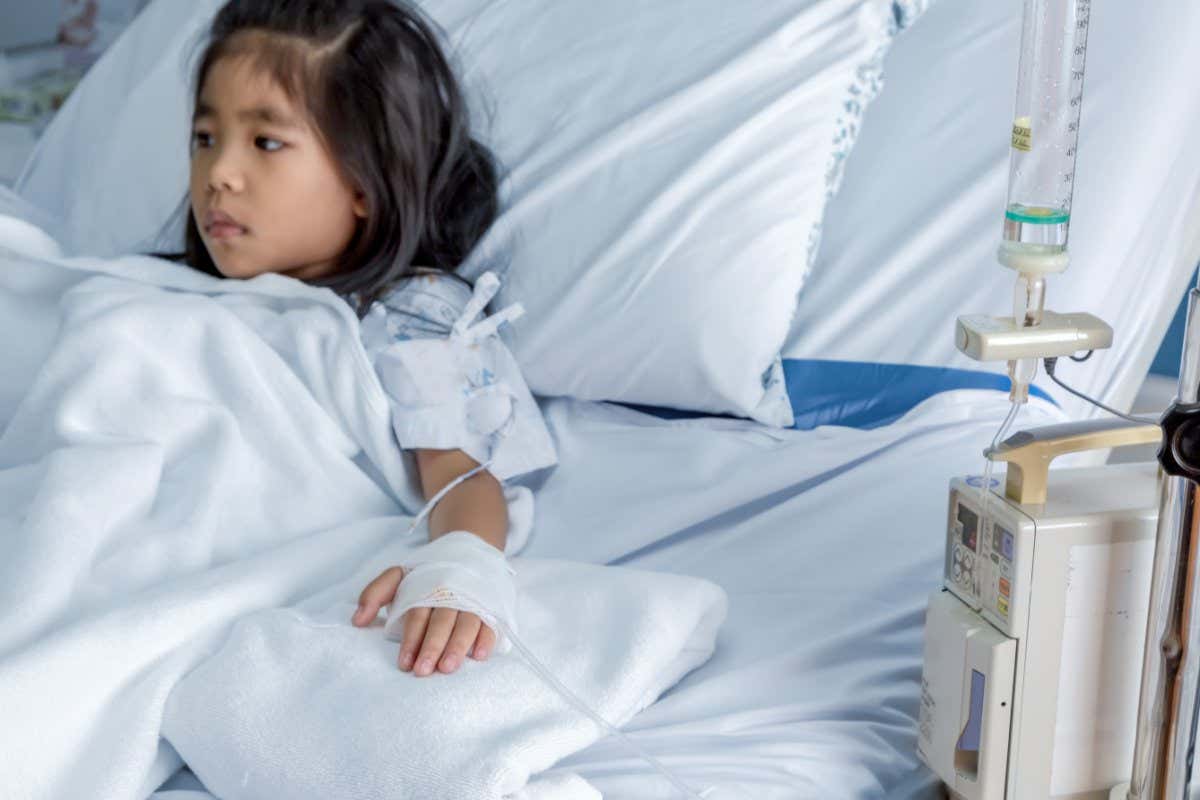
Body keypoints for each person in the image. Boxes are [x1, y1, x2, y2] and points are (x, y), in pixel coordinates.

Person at [178, 0, 556, 678]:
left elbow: (462, 475)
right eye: (205, 138)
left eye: (265, 143)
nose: (219, 175)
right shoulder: (162, 295)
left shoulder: (410, 319)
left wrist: (460, 568)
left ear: (364, 180)